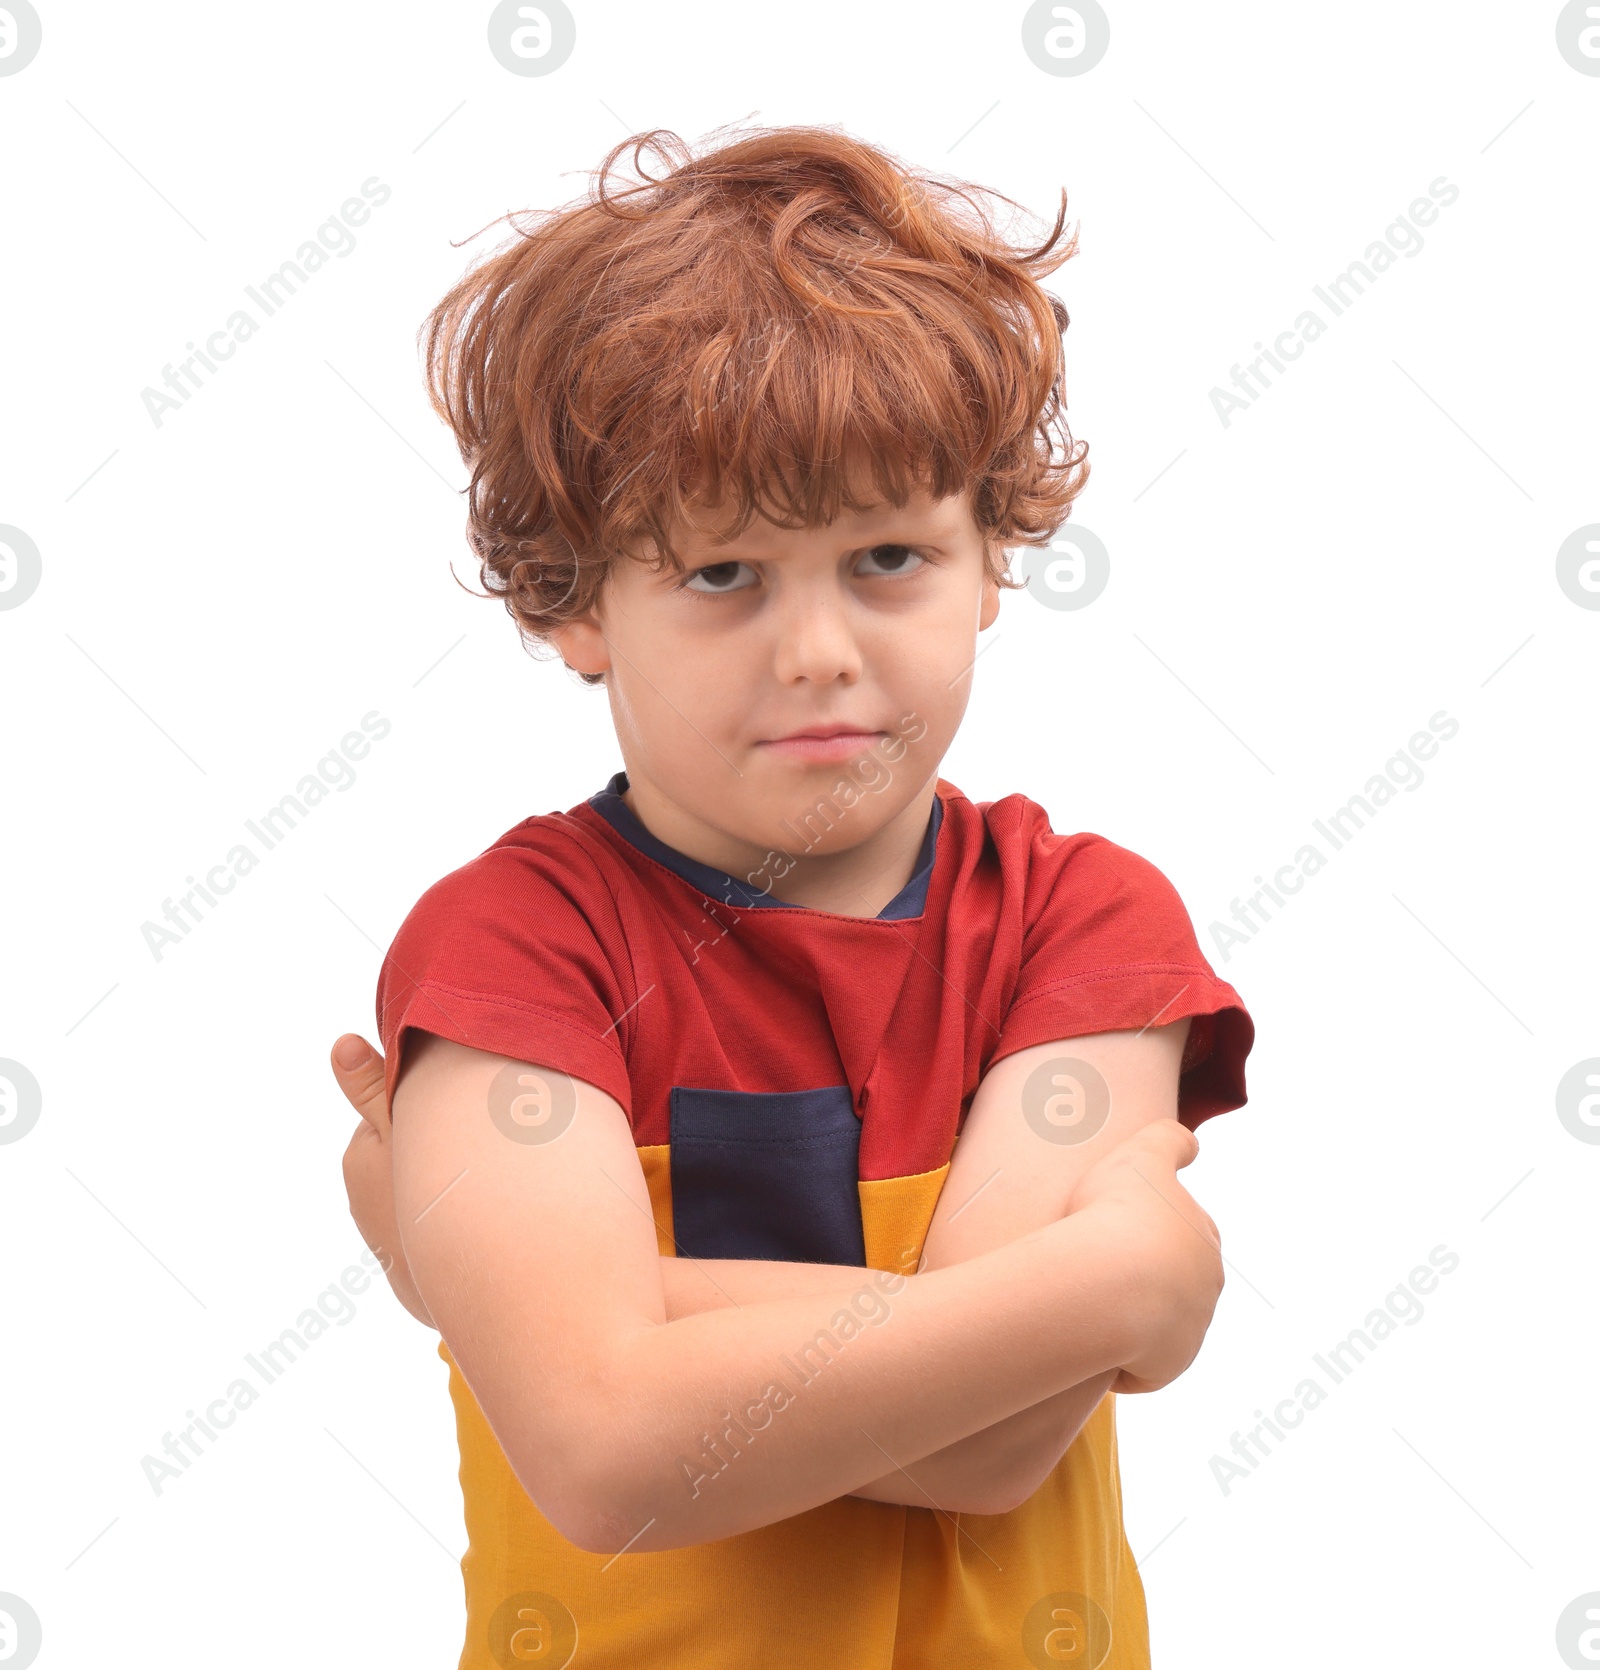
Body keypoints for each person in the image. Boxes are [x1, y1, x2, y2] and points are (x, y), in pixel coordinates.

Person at [333, 122, 1254, 1669]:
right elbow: (611, 1451)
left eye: (890, 553)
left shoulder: (1081, 922)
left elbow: (987, 1448)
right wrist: (1110, 1281)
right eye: (721, 576)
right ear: (572, 603)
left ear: (990, 566)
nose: (820, 648)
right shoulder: (516, 945)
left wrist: (560, 1306)